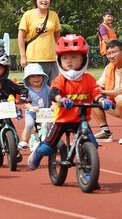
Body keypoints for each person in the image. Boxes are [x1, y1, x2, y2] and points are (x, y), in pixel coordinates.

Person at [27, 34, 114, 172]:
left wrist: (103, 100)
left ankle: (88, 174)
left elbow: (96, 92)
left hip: (81, 119)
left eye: (74, 57)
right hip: (62, 119)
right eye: (65, 58)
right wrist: (60, 99)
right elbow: (53, 92)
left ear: (83, 59)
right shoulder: (60, 80)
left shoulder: (88, 79)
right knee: (49, 147)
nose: (69, 61)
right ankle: (37, 153)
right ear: (59, 60)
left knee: (91, 144)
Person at [17, 0, 61, 83]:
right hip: (34, 59)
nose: (44, 0)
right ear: (36, 0)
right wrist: (23, 56)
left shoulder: (54, 15)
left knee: (54, 87)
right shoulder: (28, 15)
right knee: (36, 87)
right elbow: (20, 37)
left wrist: (59, 53)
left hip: (52, 59)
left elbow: (57, 36)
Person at [18, 63, 52, 151]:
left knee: (51, 126)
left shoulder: (46, 88)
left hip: (45, 113)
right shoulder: (27, 91)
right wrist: (31, 107)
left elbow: (53, 97)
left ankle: (53, 141)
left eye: (38, 76)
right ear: (27, 79)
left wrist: (54, 106)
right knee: (29, 125)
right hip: (32, 113)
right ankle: (24, 141)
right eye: (32, 76)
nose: (36, 78)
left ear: (43, 77)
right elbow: (25, 102)